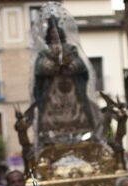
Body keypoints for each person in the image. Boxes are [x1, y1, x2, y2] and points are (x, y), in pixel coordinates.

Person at [33, 14, 100, 146]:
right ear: (48, 35)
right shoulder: (44, 52)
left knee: (77, 111)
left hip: (71, 90)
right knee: (52, 113)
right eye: (52, 33)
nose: (55, 35)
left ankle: (80, 136)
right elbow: (39, 67)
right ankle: (51, 137)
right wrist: (51, 66)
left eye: (57, 32)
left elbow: (81, 65)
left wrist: (70, 65)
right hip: (52, 93)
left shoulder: (70, 49)